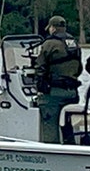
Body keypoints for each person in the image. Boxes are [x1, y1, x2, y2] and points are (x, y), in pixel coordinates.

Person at [33, 15, 83, 144]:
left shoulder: (49, 44)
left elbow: (39, 67)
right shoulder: (74, 43)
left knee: (49, 125)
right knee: (68, 125)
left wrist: (40, 87)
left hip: (54, 94)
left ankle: (51, 153)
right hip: (72, 92)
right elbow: (79, 69)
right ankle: (71, 148)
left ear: (53, 28)